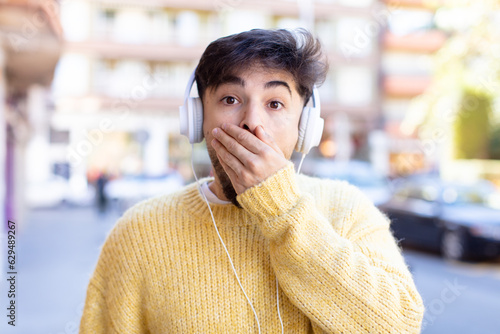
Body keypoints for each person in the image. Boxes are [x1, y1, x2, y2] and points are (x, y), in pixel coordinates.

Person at [79, 29, 424, 333]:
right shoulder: (140, 233)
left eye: (275, 103)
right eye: (230, 99)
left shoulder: (347, 210)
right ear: (197, 118)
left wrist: (282, 208)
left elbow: (400, 326)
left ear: (304, 128)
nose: (252, 123)